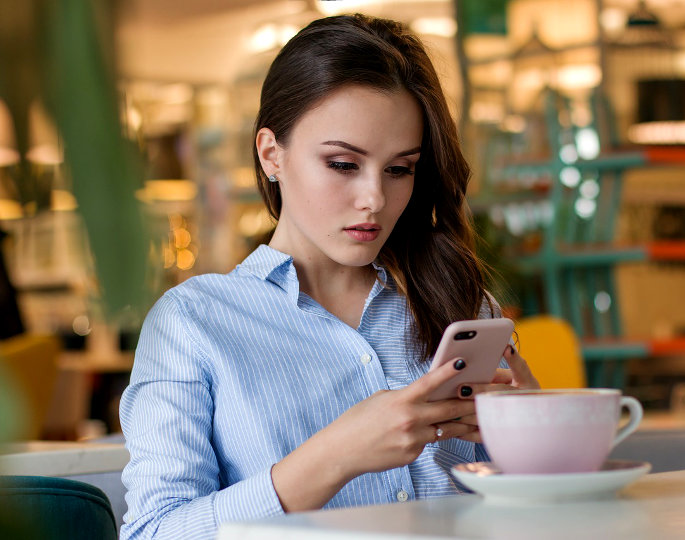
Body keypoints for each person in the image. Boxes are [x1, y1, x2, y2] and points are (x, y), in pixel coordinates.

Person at [119, 13, 540, 540]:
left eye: (399, 169)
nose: (375, 200)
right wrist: (335, 456)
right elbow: (152, 532)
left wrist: (535, 440)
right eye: (343, 164)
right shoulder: (193, 323)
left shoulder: (458, 304)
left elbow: (531, 513)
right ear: (272, 153)